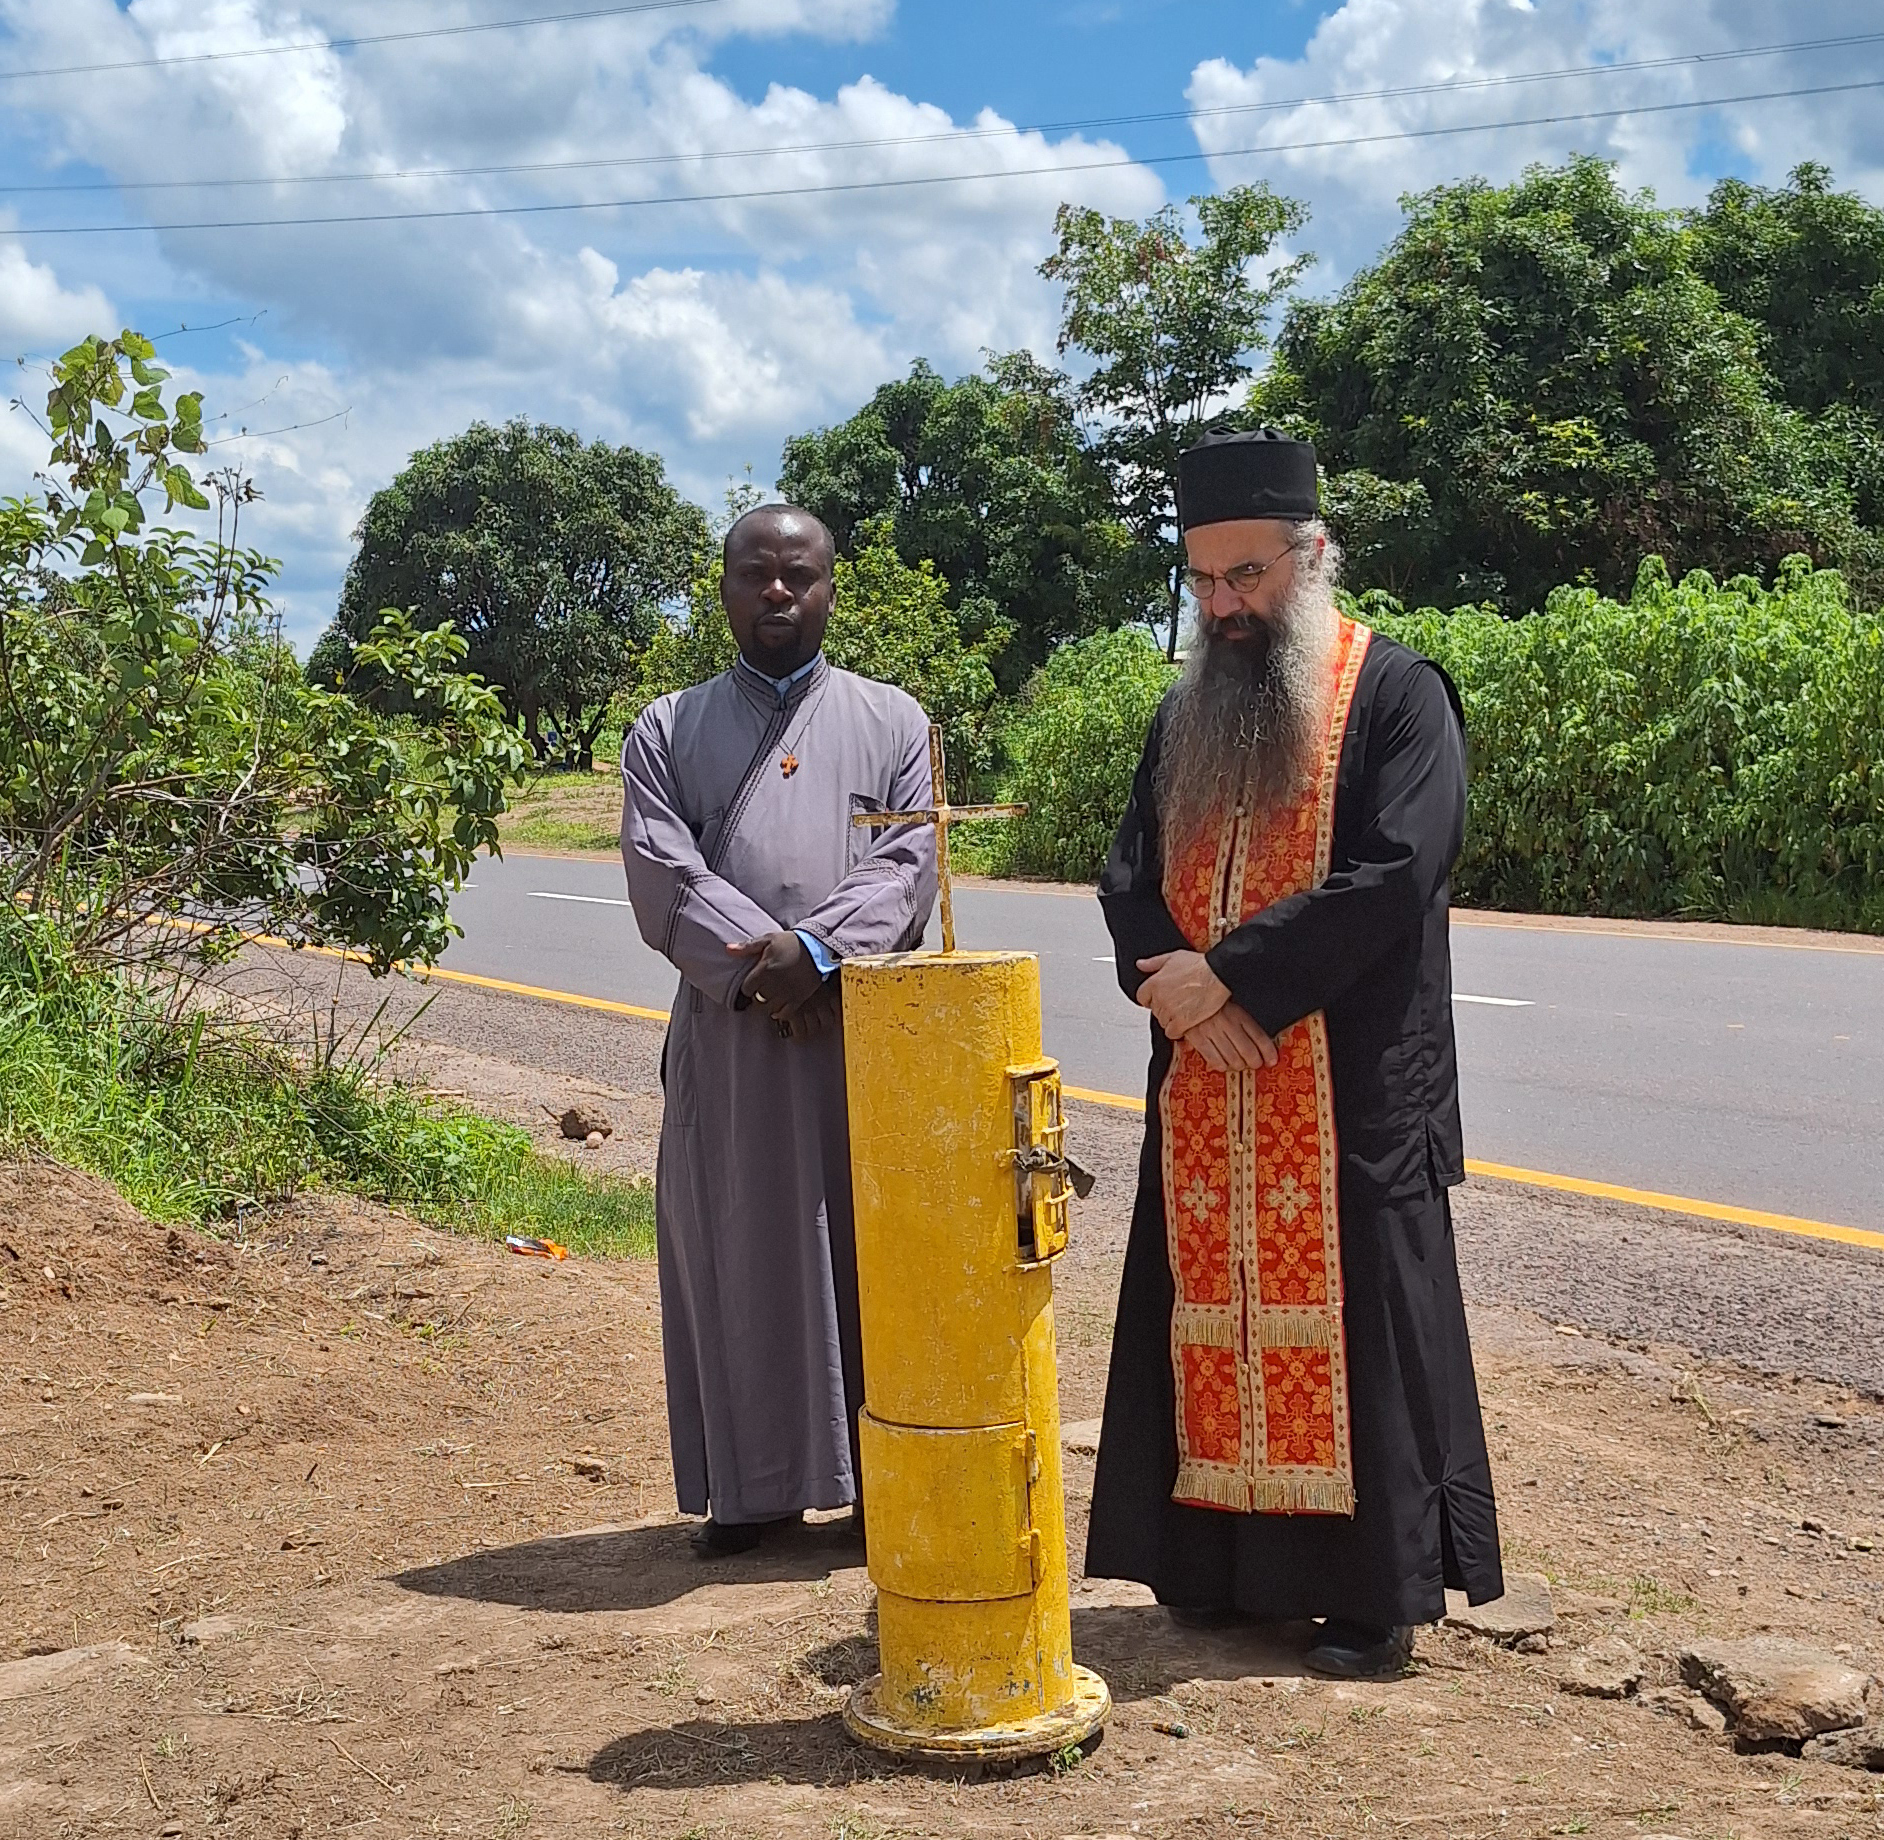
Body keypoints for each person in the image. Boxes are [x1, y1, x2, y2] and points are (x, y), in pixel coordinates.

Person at [1084, 429, 1503, 1678]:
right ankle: (1216, 1568)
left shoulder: (1396, 693)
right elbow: (1127, 874)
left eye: (1248, 578)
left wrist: (1238, 973)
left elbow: (1398, 874)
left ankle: (1374, 1600)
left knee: (1365, 1329)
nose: (1224, 607)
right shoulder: (1186, 714)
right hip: (1212, 1078)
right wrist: (1177, 988)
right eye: (1203, 582)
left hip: (1356, 1084)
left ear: (1311, 557)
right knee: (1203, 1314)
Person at [620, 505, 938, 1556]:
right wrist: (770, 966)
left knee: (870, 1253)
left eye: (798, 574)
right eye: (755, 574)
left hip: (857, 1030)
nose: (777, 593)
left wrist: (819, 956)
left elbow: (908, 868)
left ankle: (876, 1481)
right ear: (723, 587)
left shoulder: (897, 725)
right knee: (737, 1248)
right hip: (733, 1039)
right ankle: (750, 1494)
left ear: (830, 588)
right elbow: (663, 872)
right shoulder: (666, 729)